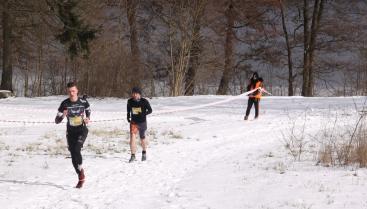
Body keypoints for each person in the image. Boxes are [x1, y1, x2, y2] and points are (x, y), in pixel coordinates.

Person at [55, 82, 90, 188]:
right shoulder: (64, 104)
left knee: (76, 149)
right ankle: (80, 175)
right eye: (70, 91)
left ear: (77, 91)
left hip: (82, 130)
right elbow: (57, 120)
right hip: (70, 132)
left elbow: (88, 110)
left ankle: (80, 169)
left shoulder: (83, 101)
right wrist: (62, 116)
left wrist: (87, 118)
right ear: (67, 92)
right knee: (73, 155)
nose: (71, 93)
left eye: (73, 91)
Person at [127, 87, 152, 163]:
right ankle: (133, 155)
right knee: (132, 137)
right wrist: (128, 116)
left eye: (135, 93)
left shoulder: (144, 101)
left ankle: (144, 152)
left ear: (139, 94)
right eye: (133, 93)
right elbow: (128, 110)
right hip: (134, 122)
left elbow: (150, 110)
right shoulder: (130, 101)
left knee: (142, 138)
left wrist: (144, 114)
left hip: (142, 122)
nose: (134, 95)